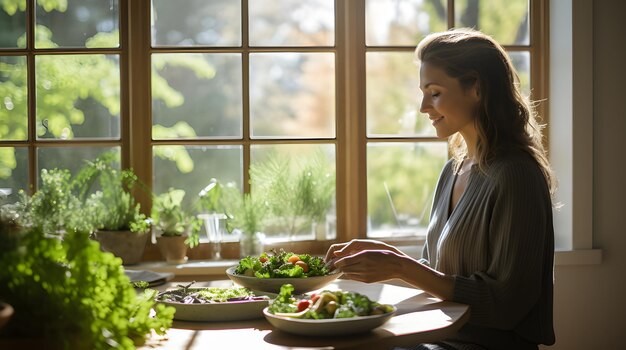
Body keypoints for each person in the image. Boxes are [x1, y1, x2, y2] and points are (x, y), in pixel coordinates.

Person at [324, 28, 556, 350]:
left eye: (434, 93)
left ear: (475, 87)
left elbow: (507, 305)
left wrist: (400, 267)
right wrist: (391, 256)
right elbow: (441, 278)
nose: (423, 107)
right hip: (437, 339)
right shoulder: (453, 170)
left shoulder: (516, 175)